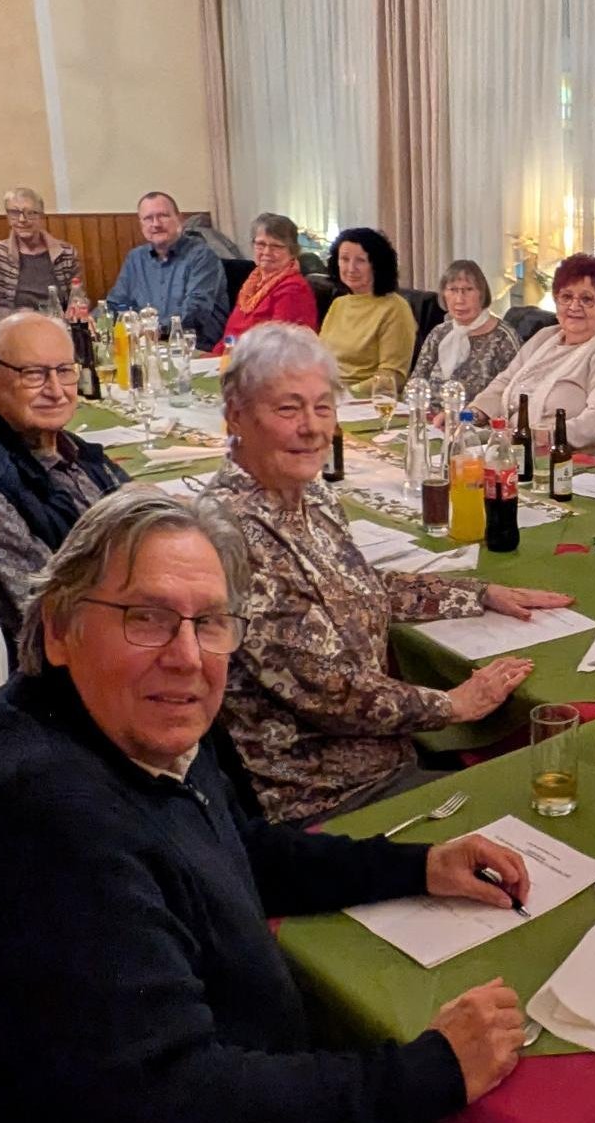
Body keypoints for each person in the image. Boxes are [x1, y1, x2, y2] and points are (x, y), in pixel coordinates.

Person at [0, 487, 533, 1123]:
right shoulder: (52, 821)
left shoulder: (113, 729)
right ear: (58, 628)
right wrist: (427, 1070)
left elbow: (241, 848)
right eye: (147, 618)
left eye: (210, 622)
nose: (188, 656)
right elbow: (181, 1114)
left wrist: (417, 866)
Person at [206, 324, 572, 821]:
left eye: (322, 407)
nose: (312, 427)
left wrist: (476, 594)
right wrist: (454, 705)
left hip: (382, 762)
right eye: (288, 409)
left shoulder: (305, 492)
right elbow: (327, 689)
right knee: (538, 812)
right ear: (237, 417)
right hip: (323, 797)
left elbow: (357, 586)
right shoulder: (231, 531)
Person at [0, 312, 129, 648]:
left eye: (64, 371)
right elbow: (49, 609)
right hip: (72, 666)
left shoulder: (67, 448)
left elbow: (138, 510)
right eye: (33, 374)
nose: (56, 391)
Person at [471, 253, 595, 465]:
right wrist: (475, 413)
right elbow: (506, 381)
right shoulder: (545, 337)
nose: (574, 306)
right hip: (522, 456)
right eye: (566, 297)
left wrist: (538, 435)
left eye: (586, 299)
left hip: (583, 471)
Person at [106, 190, 227, 347]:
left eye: (163, 216)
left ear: (180, 219)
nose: (156, 224)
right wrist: (97, 319)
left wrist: (153, 330)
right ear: (141, 224)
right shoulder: (135, 259)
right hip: (147, 347)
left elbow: (195, 312)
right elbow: (116, 303)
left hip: (193, 349)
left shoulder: (202, 256)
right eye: (148, 218)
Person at [318, 227, 416, 388]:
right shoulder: (339, 304)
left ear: (377, 265)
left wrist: (346, 395)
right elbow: (320, 358)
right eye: (344, 259)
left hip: (366, 401)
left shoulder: (395, 308)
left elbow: (392, 376)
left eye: (360, 260)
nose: (351, 268)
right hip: (328, 394)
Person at [408, 259, 521, 394]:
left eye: (468, 289)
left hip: (475, 415)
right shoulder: (439, 333)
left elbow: (513, 394)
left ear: (482, 294)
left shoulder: (504, 339)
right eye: (453, 290)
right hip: (429, 413)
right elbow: (415, 384)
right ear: (444, 295)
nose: (459, 299)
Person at [0, 186, 82, 316]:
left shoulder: (66, 253)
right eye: (14, 213)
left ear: (41, 216)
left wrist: (76, 310)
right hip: (11, 325)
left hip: (57, 324)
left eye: (30, 213)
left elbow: (78, 296)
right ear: (8, 217)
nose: (22, 220)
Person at [220, 211, 321, 341]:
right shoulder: (253, 282)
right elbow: (231, 333)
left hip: (264, 359)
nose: (267, 252)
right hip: (233, 355)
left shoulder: (294, 289)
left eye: (276, 246)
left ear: (292, 252)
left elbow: (277, 345)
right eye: (261, 244)